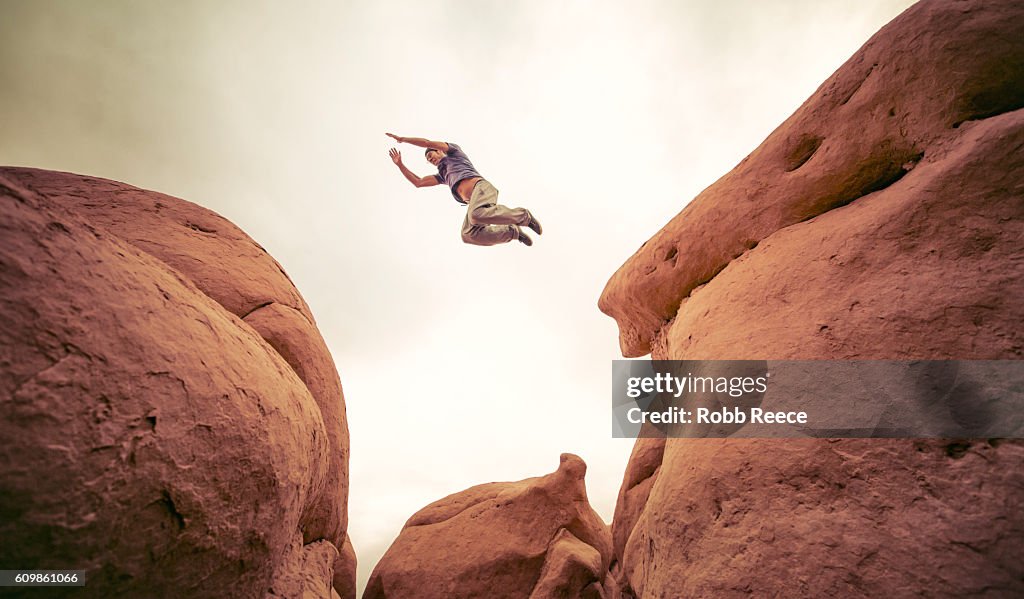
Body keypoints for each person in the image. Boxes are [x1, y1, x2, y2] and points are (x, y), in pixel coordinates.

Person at [386, 133, 543, 247]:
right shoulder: (443, 175)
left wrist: (403, 140)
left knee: (475, 215)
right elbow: (418, 182)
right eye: (428, 160)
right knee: (468, 235)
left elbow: (427, 143)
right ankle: (512, 232)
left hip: (481, 189)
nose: (431, 159)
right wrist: (400, 165)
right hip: (476, 204)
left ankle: (524, 216)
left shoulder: (454, 153)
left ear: (439, 150)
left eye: (431, 155)